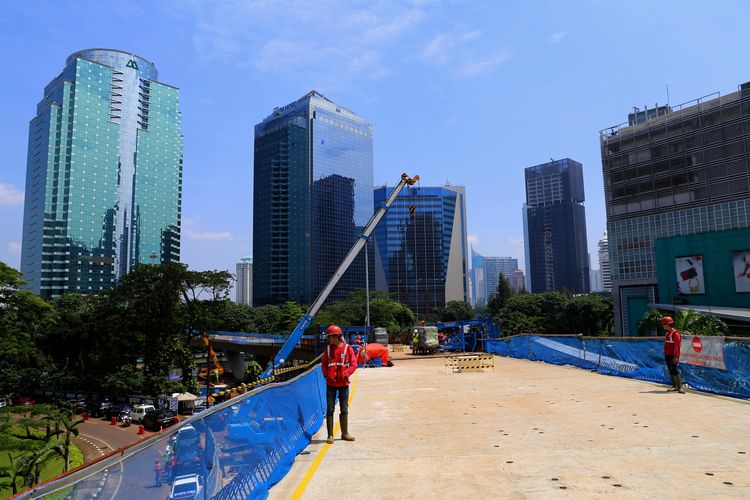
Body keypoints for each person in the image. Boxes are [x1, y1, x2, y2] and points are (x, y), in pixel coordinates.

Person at [321, 325, 357, 444]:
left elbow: (353, 364)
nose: (329, 339)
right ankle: (330, 435)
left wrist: (346, 373)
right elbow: (324, 364)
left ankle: (345, 433)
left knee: (344, 409)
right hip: (331, 384)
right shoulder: (327, 349)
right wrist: (327, 375)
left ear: (337, 336)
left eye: (330, 337)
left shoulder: (348, 348)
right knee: (330, 409)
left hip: (343, 383)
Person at [662, 316, 684, 393]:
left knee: (674, 370)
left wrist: (676, 357)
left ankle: (679, 387)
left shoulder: (675, 334)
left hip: (673, 356)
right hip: (667, 355)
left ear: (667, 324)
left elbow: (677, 346)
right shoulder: (667, 333)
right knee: (670, 370)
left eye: (664, 324)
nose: (663, 326)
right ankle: (674, 386)